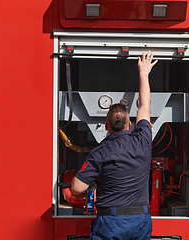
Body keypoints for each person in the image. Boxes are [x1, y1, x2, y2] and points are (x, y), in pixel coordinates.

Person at [71, 51, 158, 240]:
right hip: (140, 221)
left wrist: (95, 182)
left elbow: (76, 188)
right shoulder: (143, 140)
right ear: (130, 124)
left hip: (111, 222)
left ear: (105, 126)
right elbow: (144, 106)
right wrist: (144, 72)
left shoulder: (99, 153)